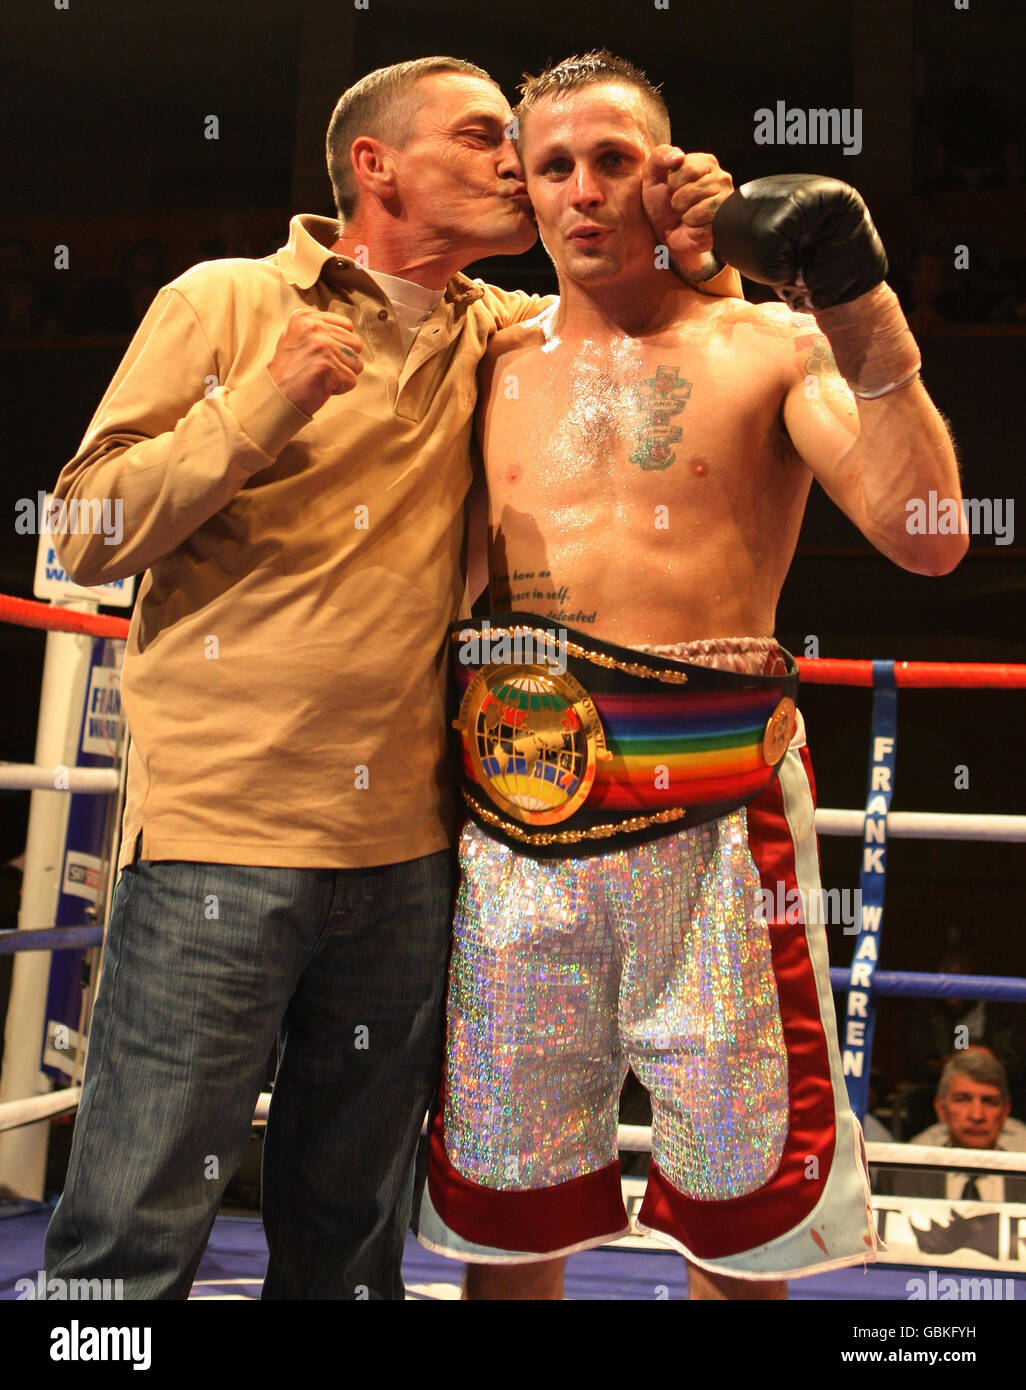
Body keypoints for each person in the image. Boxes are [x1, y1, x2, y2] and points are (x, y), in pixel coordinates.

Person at [41, 55, 735, 1300]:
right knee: (131, 1235)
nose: (517, 165)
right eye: (483, 139)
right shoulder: (230, 302)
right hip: (219, 836)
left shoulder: (498, 331)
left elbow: (647, 320)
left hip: (409, 855)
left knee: (350, 1232)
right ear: (378, 165)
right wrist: (262, 404)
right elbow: (80, 529)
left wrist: (697, 237)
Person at [416, 50, 968, 1300]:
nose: (584, 190)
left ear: (669, 173)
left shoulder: (769, 343)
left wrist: (856, 297)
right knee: (509, 1213)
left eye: (614, 159)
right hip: (520, 815)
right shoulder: (482, 353)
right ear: (527, 187)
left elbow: (928, 533)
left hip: (719, 823)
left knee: (738, 1211)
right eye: (553, 165)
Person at [878, 1051, 1026, 1203]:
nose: (977, 1115)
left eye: (989, 1102)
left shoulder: (1022, 1174)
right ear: (941, 1109)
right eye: (963, 1100)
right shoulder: (904, 1177)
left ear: (1005, 1112)